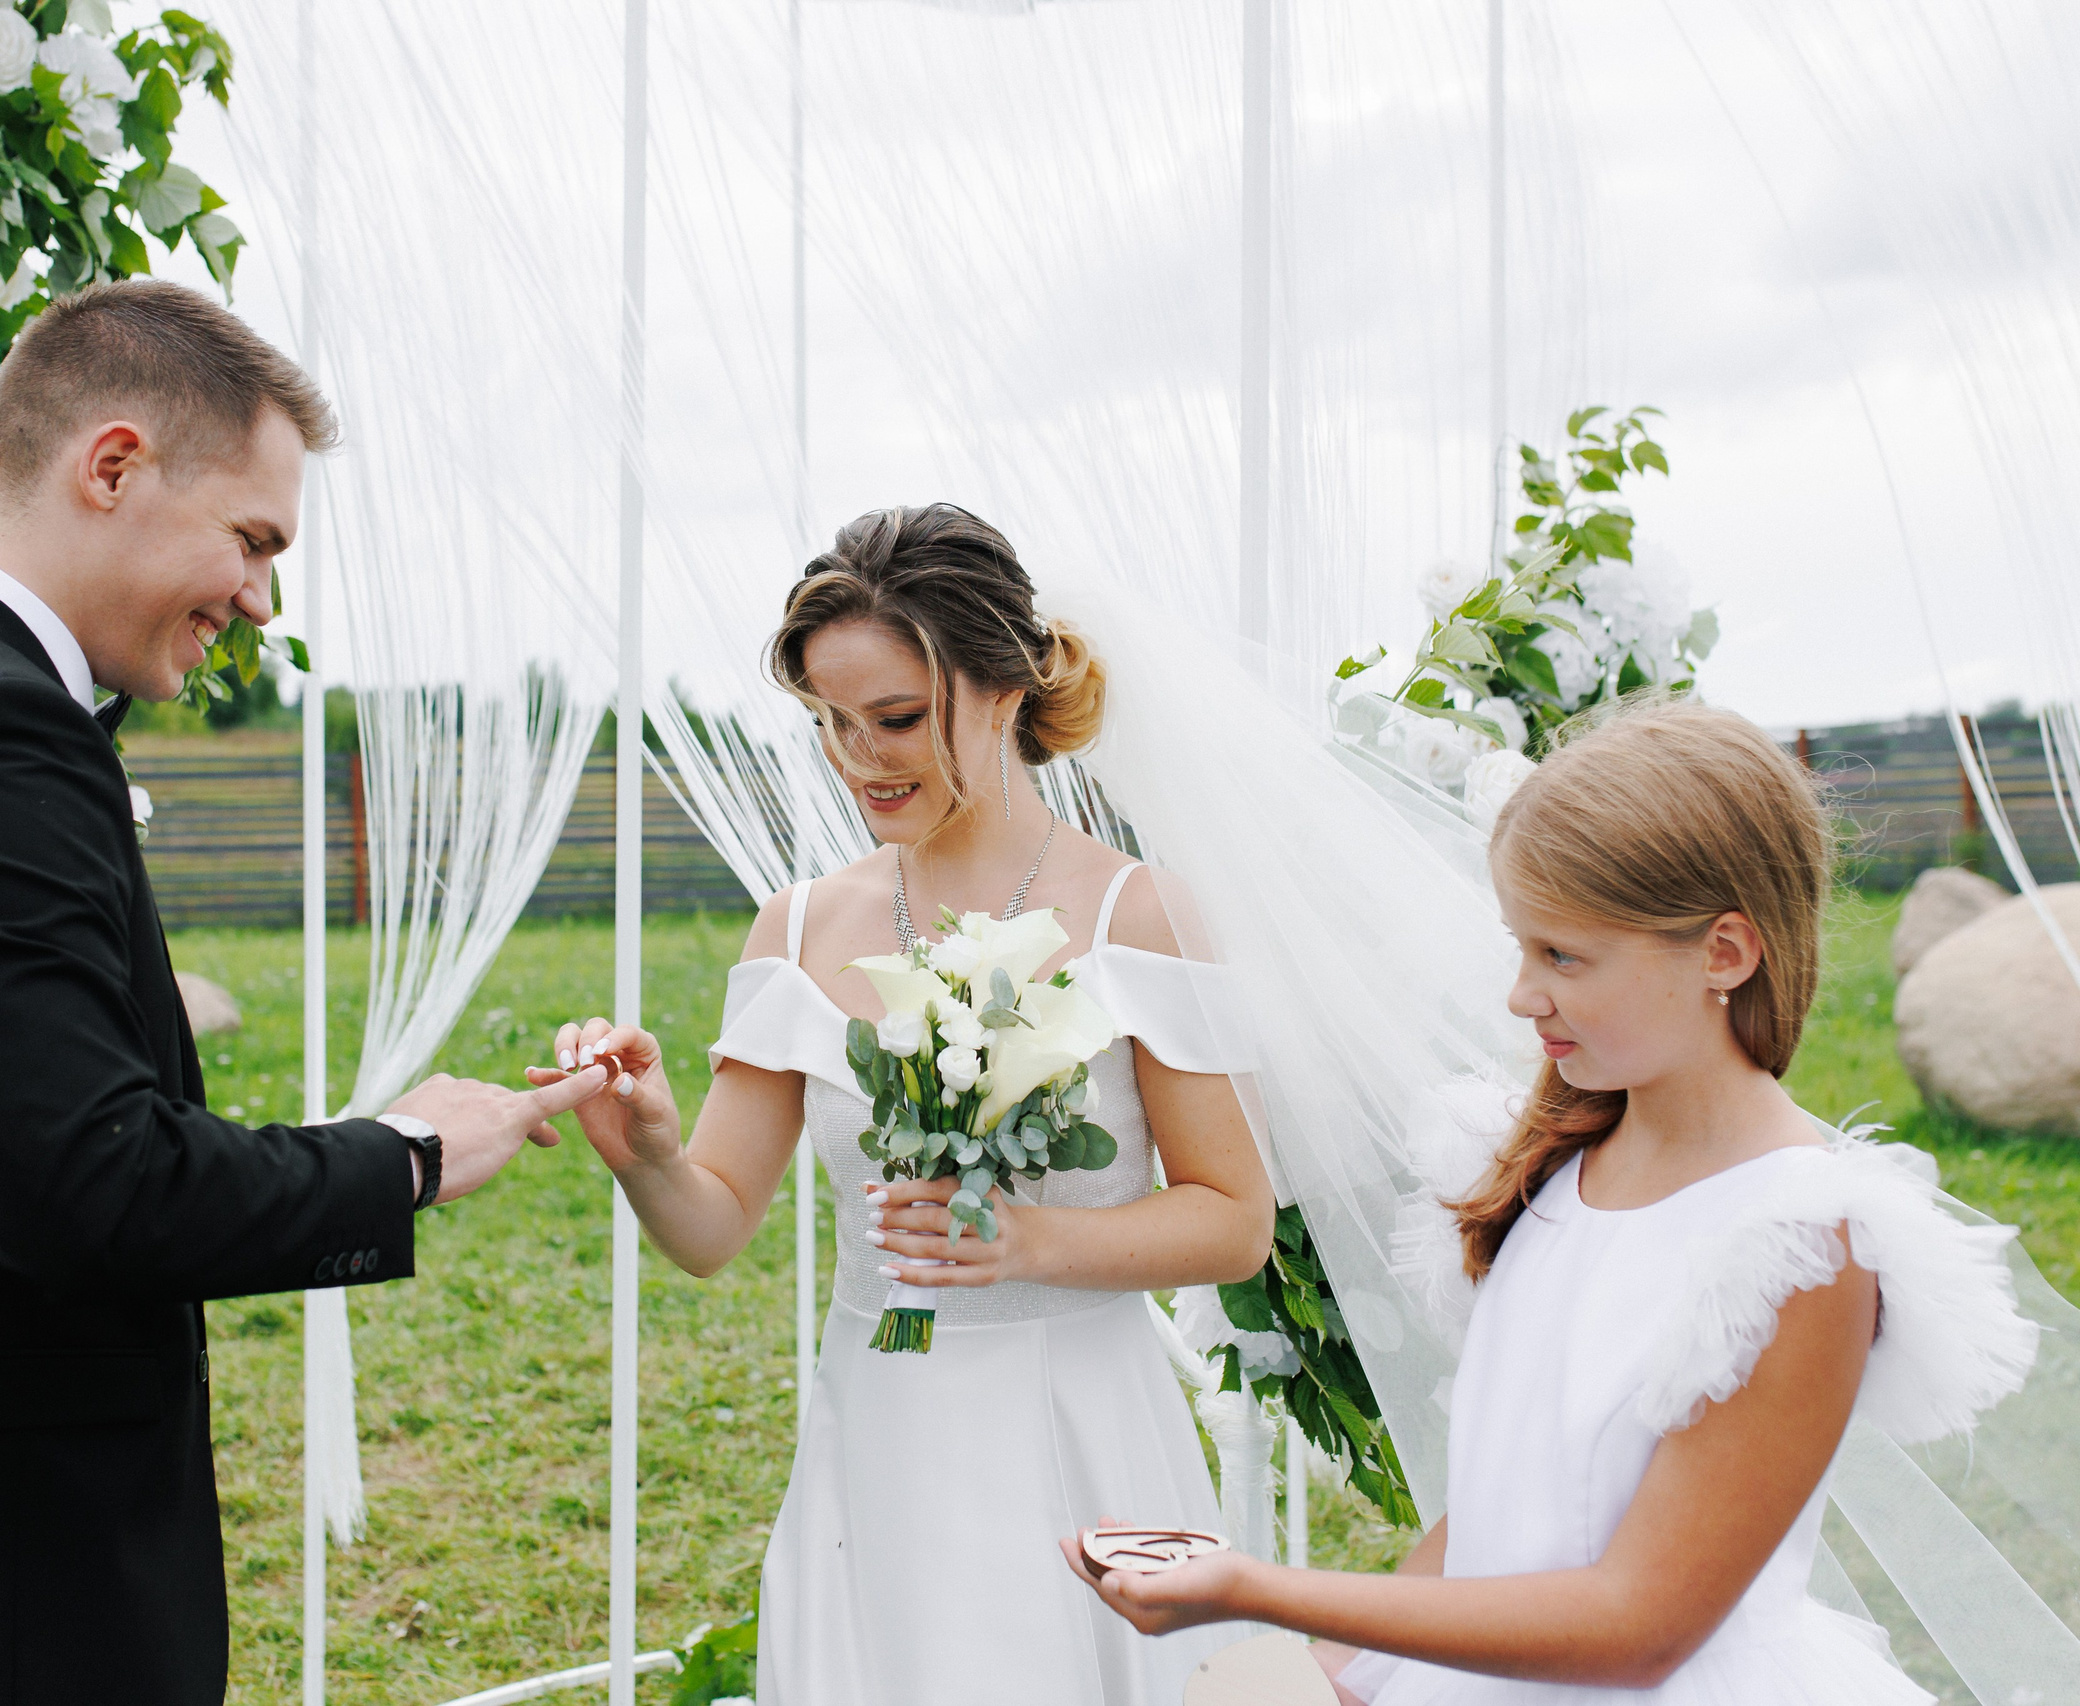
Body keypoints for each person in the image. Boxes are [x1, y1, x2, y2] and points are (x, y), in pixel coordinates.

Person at [0, 279, 608, 1705]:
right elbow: (97, 1185)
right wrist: (407, 1153)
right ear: (111, 466)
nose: (258, 597)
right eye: (251, 540)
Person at [1064, 699, 2040, 1704]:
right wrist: (1340, 1678)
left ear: (1723, 952)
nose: (1521, 993)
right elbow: (1493, 1515)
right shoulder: (1540, 1164)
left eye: (1563, 955)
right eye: (1519, 947)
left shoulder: (1792, 1243)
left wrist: (1267, 1591)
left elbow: (1638, 1625)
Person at [527, 505, 1279, 1704]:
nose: (857, 757)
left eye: (894, 718)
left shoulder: (1134, 914)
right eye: (829, 720)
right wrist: (646, 1150)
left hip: (1081, 1426)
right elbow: (712, 1225)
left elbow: (1234, 1219)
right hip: (878, 1432)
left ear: (1002, 690)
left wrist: (1033, 1238)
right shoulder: (800, 924)